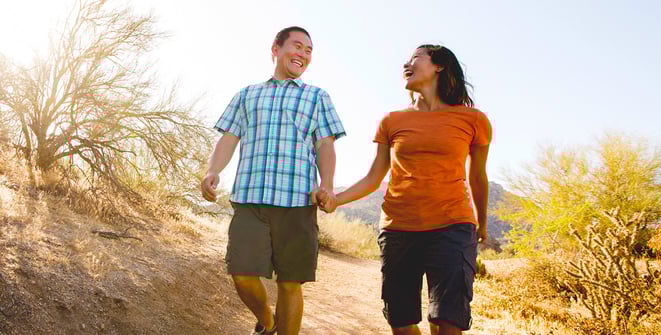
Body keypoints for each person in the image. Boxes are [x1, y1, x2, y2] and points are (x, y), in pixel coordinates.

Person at [317, 44, 491, 335]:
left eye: (415, 58)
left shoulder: (473, 120)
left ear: (439, 66)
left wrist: (481, 222)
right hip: (399, 229)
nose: (406, 65)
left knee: (448, 322)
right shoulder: (392, 120)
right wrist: (336, 199)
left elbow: (478, 176)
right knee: (401, 323)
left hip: (453, 226)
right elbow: (374, 177)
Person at [201, 26, 346, 335]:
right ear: (276, 48)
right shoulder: (247, 94)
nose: (303, 54)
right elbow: (228, 139)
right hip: (251, 199)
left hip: (297, 203)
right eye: (297, 46)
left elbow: (325, 145)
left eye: (309, 51)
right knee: (241, 274)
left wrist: (327, 185)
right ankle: (267, 321)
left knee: (291, 282)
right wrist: (212, 170)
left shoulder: (317, 97)